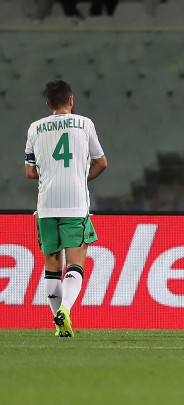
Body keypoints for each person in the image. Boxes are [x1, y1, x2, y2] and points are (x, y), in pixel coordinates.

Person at [25, 80, 107, 338]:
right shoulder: (85, 123)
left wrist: (51, 176)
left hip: (46, 204)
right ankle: (65, 310)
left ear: (48, 104)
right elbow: (101, 163)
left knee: (52, 264)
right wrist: (78, 178)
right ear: (71, 100)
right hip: (75, 203)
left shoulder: (35, 128)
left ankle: (59, 327)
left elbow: (29, 171)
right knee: (75, 264)